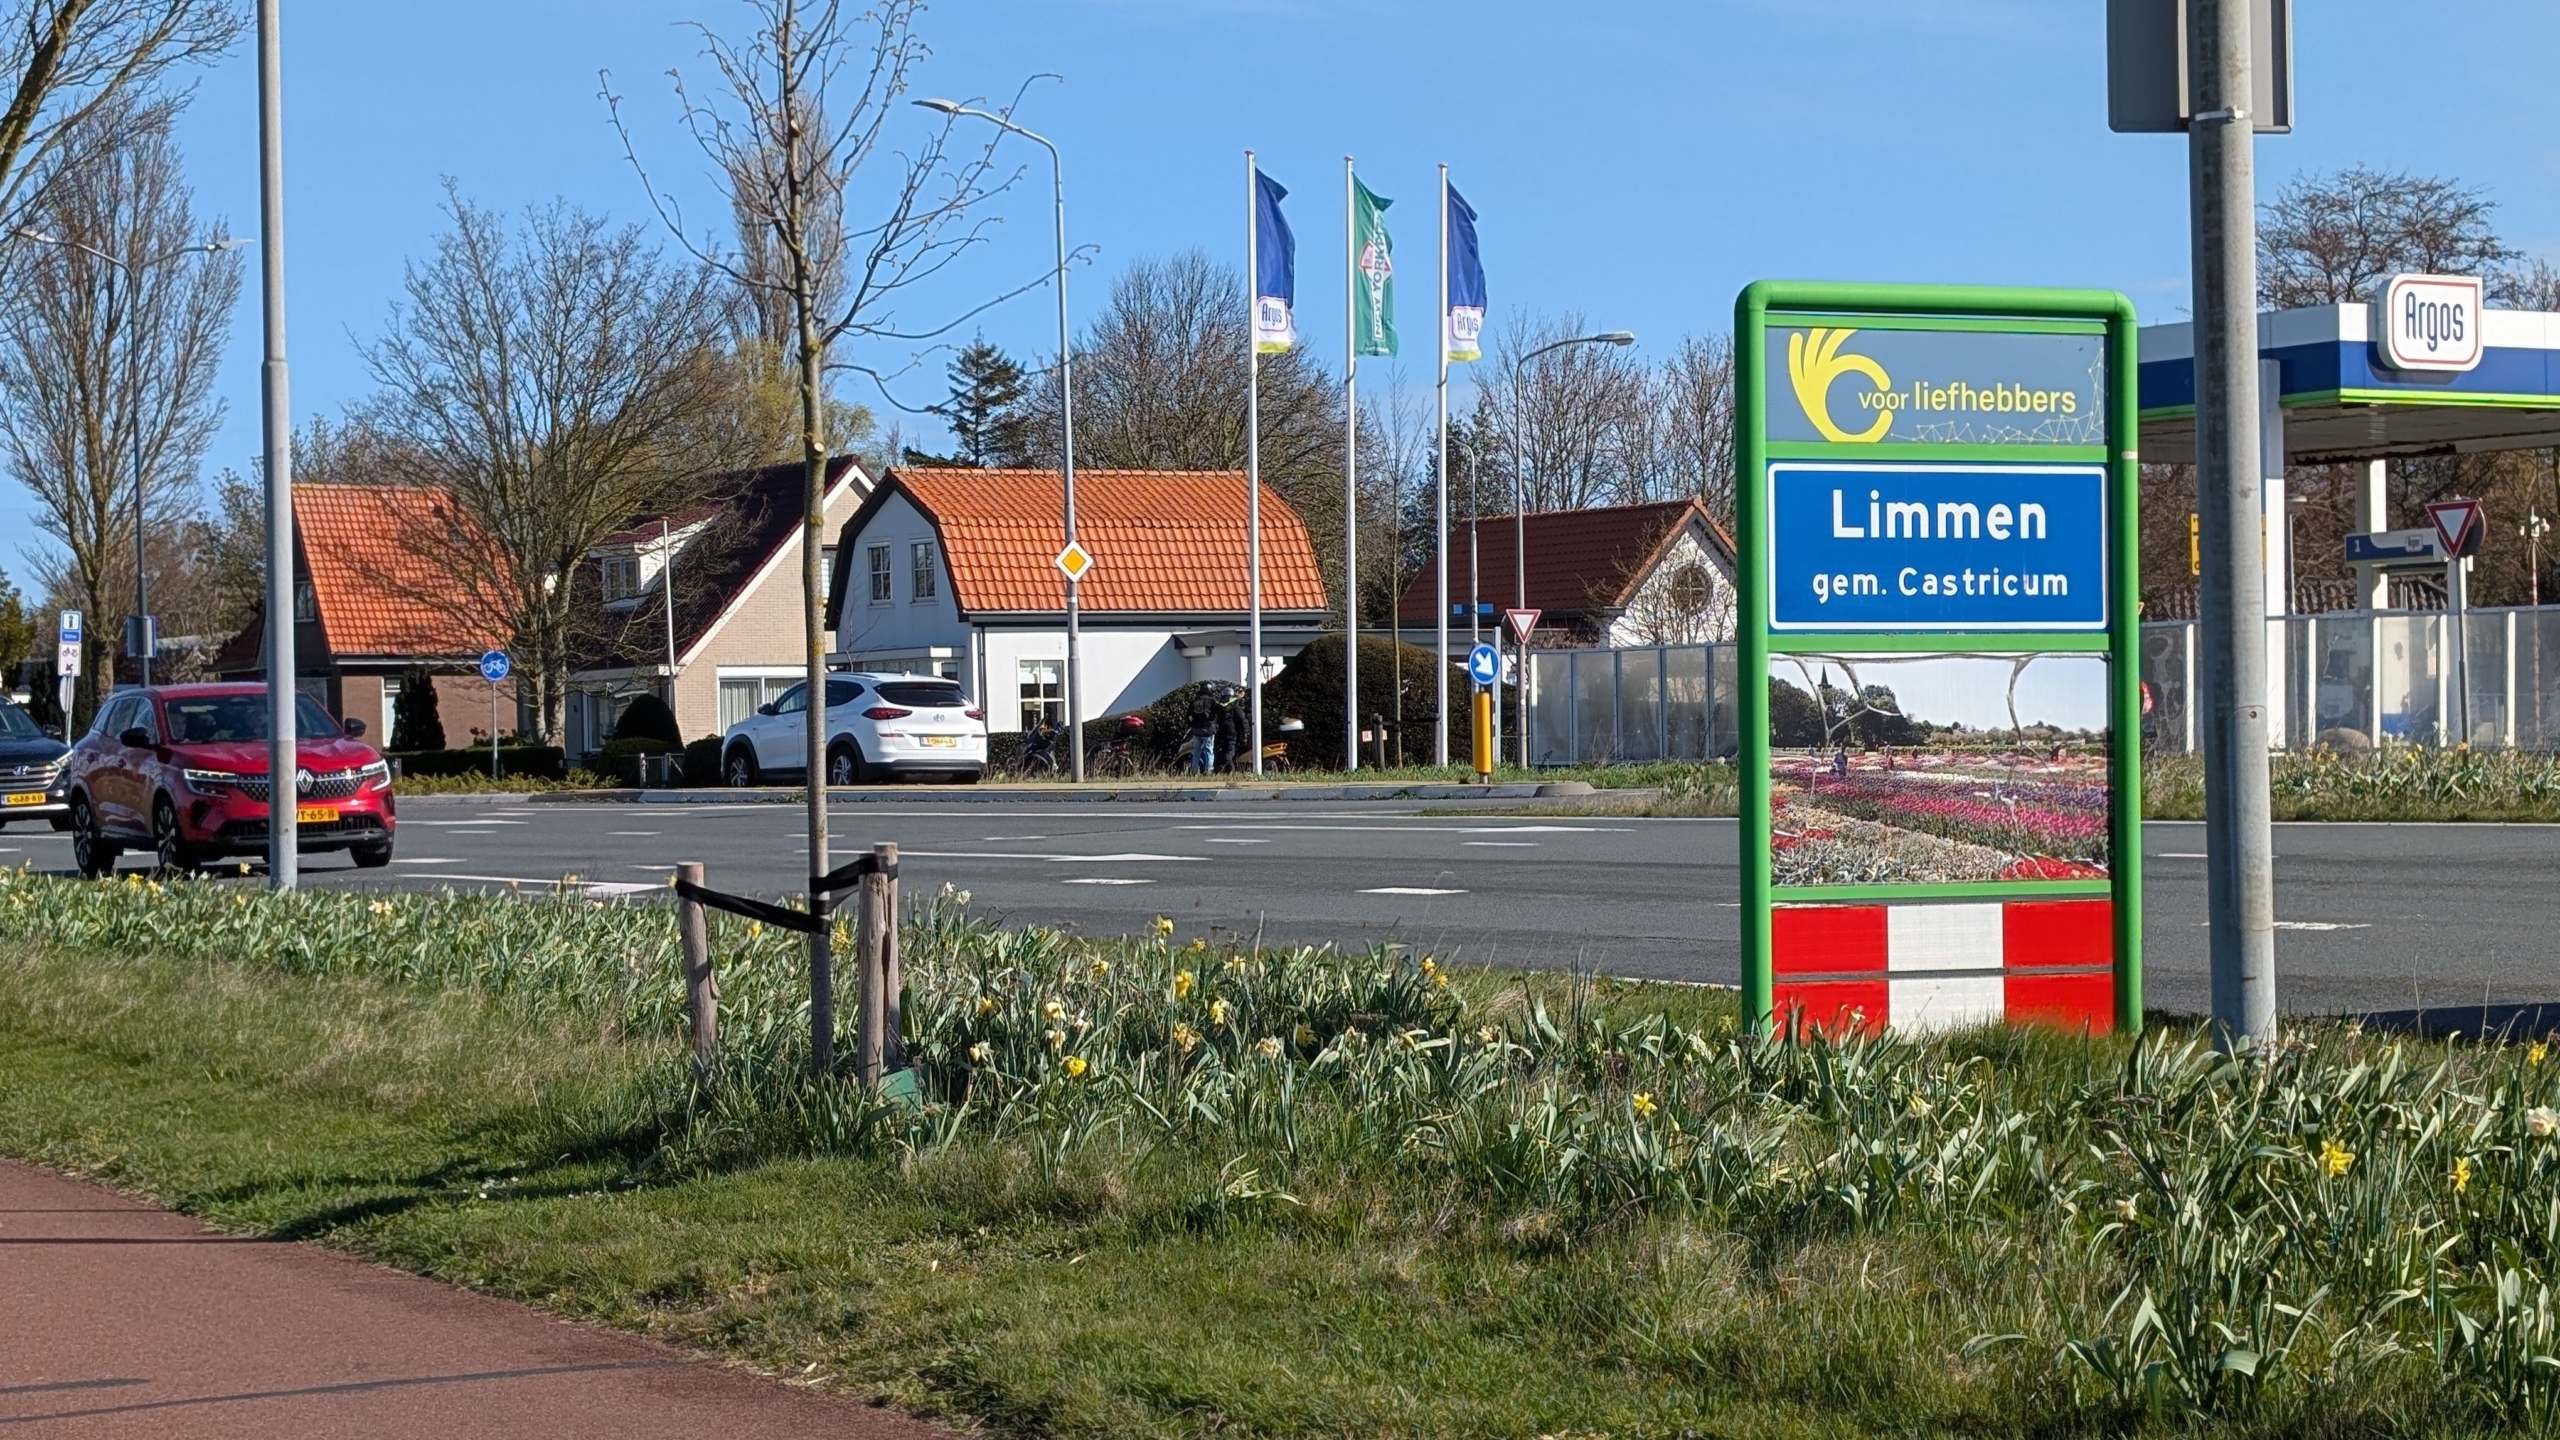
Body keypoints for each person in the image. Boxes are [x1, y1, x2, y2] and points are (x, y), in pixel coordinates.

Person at [1186, 687, 1217, 774]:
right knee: (1209, 751)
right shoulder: (1211, 700)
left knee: (1196, 751)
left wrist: (1191, 724)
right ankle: (1209, 771)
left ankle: (1194, 770)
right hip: (1208, 730)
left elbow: (1187, 716)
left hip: (1196, 730)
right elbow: (1219, 710)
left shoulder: (1194, 700)